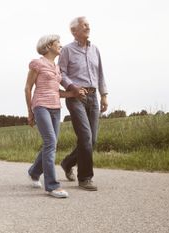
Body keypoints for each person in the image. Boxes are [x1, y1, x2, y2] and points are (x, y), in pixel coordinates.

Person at [25, 34, 85, 198]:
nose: (61, 45)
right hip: (41, 106)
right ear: (49, 45)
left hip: (55, 107)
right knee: (50, 141)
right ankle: (52, 186)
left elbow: (56, 91)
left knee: (50, 143)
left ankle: (33, 172)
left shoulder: (57, 67)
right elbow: (28, 88)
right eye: (58, 42)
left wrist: (73, 94)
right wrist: (30, 112)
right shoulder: (37, 63)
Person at [58, 16, 108, 191]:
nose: (88, 27)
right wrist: (73, 87)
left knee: (92, 140)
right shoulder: (67, 50)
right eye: (84, 25)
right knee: (85, 137)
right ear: (74, 31)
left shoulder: (95, 49)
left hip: (93, 97)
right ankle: (85, 178)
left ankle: (67, 162)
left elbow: (100, 74)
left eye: (88, 24)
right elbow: (61, 74)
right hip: (75, 97)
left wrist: (104, 95)